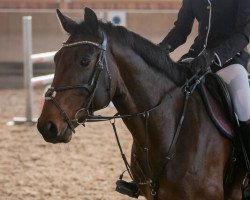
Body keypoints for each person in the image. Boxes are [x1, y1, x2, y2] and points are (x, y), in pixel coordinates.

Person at [159, 0, 250, 197]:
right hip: (195, 60)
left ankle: (245, 175)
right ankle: (148, 172)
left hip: (229, 61)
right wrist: (161, 49)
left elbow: (244, 34)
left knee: (245, 108)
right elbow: (181, 29)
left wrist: (213, 56)